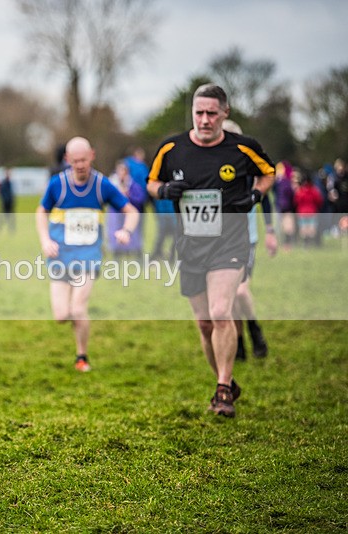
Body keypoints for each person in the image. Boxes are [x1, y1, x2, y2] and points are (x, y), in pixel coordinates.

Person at [146, 83, 275, 418]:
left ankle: (222, 390)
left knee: (221, 313)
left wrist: (256, 196)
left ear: (225, 113)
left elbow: (269, 173)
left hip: (230, 244)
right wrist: (165, 191)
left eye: (211, 114)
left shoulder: (243, 149)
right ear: (193, 112)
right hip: (190, 246)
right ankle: (225, 381)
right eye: (199, 113)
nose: (204, 120)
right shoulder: (171, 148)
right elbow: (151, 182)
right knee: (204, 324)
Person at [36, 137, 139, 372]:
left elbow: (131, 211)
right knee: (62, 315)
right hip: (60, 255)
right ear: (67, 160)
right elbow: (41, 212)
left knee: (78, 308)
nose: (80, 165)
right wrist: (45, 240)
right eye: (75, 161)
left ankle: (81, 356)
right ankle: (75, 326)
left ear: (92, 155)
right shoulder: (57, 184)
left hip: (89, 255)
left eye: (83, 159)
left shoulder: (102, 185)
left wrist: (126, 230)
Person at [221, 119, 276, 361]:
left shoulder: (250, 167)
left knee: (241, 291)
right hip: (220, 240)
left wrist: (271, 232)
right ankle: (239, 342)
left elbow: (265, 198)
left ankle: (254, 329)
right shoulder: (215, 168)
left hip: (247, 237)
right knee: (228, 296)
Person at [106, 159, 146, 258]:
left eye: (123, 170)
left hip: (130, 214)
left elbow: (141, 198)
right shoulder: (112, 184)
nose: (121, 173)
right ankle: (117, 256)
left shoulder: (133, 184)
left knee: (134, 235)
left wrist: (129, 195)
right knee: (116, 234)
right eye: (119, 170)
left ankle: (137, 256)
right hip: (116, 216)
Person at [293, 172, 324, 246]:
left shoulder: (300, 191)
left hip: (302, 213)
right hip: (312, 212)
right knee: (311, 229)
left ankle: (306, 244)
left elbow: (296, 201)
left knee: (304, 229)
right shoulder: (314, 190)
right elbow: (319, 201)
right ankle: (312, 243)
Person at [0, 168, 16, 233]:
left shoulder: (9, 182)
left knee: (10, 217)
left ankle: (10, 229)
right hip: (5, 203)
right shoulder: (4, 183)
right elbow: (2, 193)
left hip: (10, 203)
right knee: (3, 216)